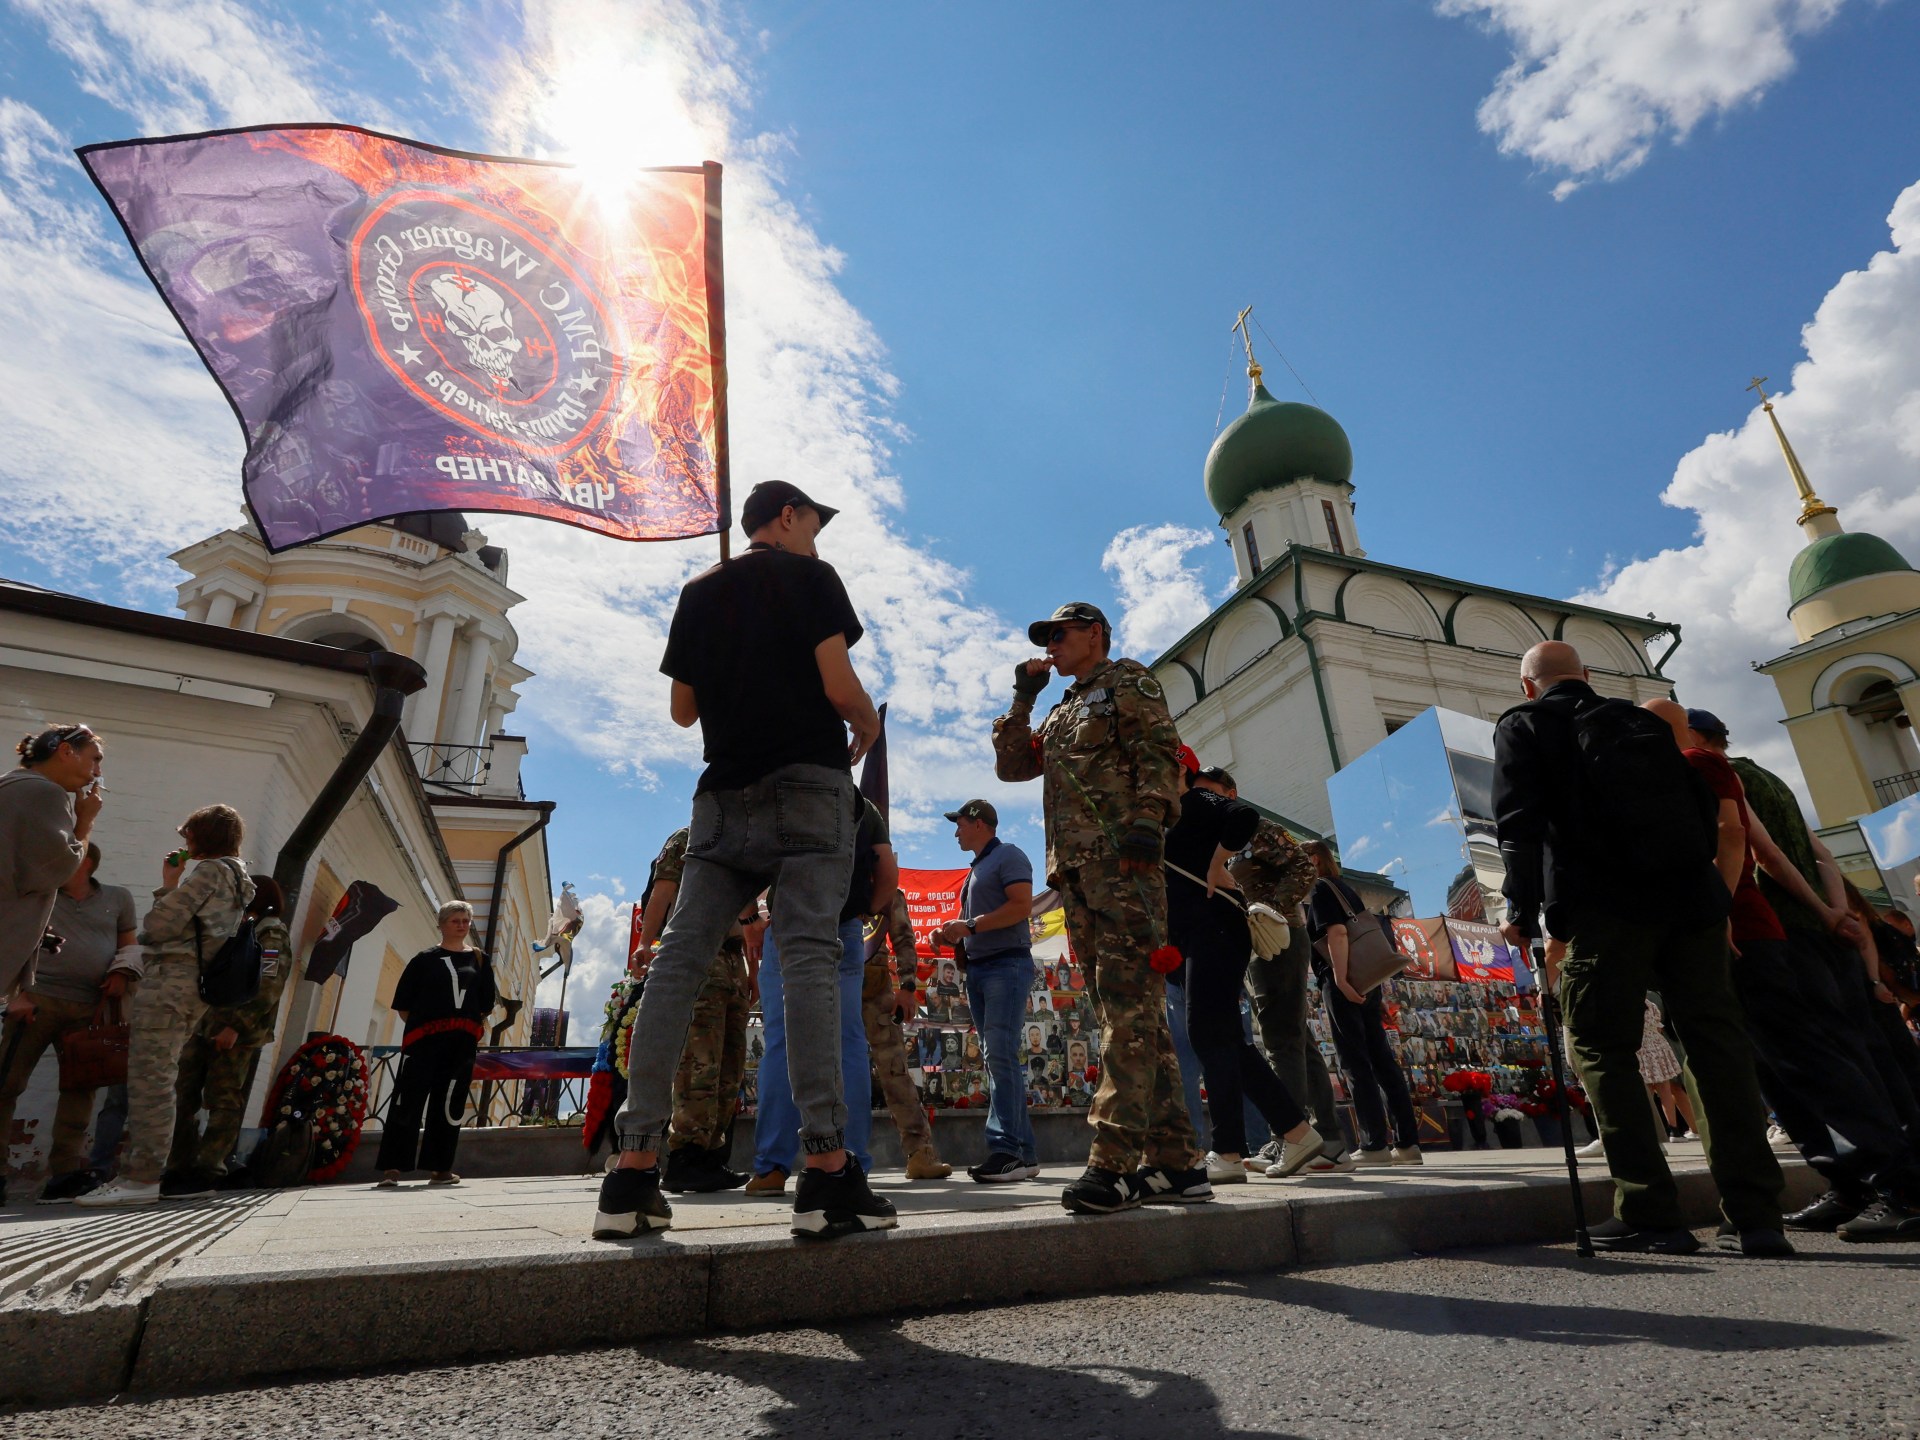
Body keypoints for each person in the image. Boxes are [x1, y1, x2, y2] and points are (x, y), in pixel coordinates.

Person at [597, 481, 893, 1242]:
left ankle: (632, 1170)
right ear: (788, 517)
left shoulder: (699, 592)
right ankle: (826, 1170)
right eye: (815, 523)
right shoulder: (812, 577)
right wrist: (866, 723)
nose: (817, 538)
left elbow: (683, 711)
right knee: (809, 957)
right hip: (808, 784)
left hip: (722, 795)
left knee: (677, 962)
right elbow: (838, 685)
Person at [1489, 641, 1786, 1255]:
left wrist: (1520, 909)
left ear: (1527, 686)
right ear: (1587, 675)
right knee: (1714, 1042)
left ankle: (1651, 1212)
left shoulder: (1526, 724)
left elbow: (1517, 823)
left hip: (1606, 906)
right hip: (1691, 901)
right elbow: (1701, 809)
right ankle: (1756, 1217)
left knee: (1602, 1045)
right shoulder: (1638, 721)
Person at [992, 600, 1206, 1214]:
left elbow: (1160, 751)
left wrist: (1149, 818)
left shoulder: (1127, 680)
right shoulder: (1060, 710)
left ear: (1095, 634)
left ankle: (1113, 1165)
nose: (1051, 645)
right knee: (1131, 1012)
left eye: (1060, 634)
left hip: (1123, 863)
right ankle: (1177, 1162)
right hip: (1077, 874)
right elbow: (1013, 767)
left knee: (1128, 1012)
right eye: (1047, 638)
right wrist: (1023, 700)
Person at [1683, 707, 1920, 1241]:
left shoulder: (1713, 772)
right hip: (1819, 932)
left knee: (1803, 1062)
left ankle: (1890, 1185)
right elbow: (1823, 856)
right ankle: (1855, 1187)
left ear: (1696, 736)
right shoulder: (1767, 777)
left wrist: (1811, 911)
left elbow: (1761, 854)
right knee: (1839, 1057)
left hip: (1777, 928)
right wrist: (1836, 914)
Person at [79, 804, 253, 1208]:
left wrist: (168, 884)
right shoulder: (238, 877)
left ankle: (139, 1177)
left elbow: (158, 926)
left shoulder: (210, 872)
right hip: (194, 988)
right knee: (160, 1075)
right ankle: (142, 1173)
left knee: (150, 1078)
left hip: (172, 983)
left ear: (203, 836)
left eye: (188, 834)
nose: (185, 841)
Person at [1165, 764, 1330, 1183]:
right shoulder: (1167, 815)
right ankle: (1296, 1133)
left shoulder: (1194, 799)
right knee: (1225, 1040)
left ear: (1177, 770)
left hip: (1216, 929)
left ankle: (1228, 1150)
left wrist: (1217, 863)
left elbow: (1243, 815)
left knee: (1209, 1032)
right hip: (1199, 936)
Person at [748, 794, 893, 1193]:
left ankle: (771, 1167)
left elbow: (749, 862)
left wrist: (748, 917)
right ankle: (853, 1161)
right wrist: (865, 911)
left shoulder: (786, 794)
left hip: (788, 923)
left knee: (781, 1041)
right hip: (843, 924)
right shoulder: (863, 807)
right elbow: (888, 875)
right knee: (848, 1042)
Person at [0, 840, 138, 1204]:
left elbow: (129, 945)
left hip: (88, 1008)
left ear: (86, 862)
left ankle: (63, 1175)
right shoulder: (36, 895)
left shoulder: (118, 898)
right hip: (36, 1001)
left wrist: (123, 971)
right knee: (6, 1084)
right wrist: (15, 995)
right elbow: (9, 942)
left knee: (79, 1091)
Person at [1226, 799, 1350, 1171]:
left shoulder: (1256, 827)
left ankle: (1289, 1139)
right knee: (1297, 1039)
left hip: (1277, 937)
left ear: (1229, 792)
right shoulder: (1226, 841)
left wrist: (1271, 910)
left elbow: (1302, 867)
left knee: (1280, 1038)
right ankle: (1328, 1141)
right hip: (1259, 941)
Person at [636, 828, 751, 1195]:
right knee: (699, 1063)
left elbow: (746, 913)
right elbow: (663, 892)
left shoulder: (741, 842)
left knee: (730, 1066)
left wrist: (751, 971)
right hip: (700, 954)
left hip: (733, 960)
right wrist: (645, 943)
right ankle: (686, 1157)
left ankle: (711, 1157)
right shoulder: (688, 838)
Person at [163, 877, 293, 1196]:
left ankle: (209, 1168)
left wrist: (236, 1025)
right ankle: (179, 1166)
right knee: (182, 1094)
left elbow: (268, 986)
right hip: (205, 1024)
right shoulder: (237, 925)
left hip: (235, 1031)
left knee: (223, 1100)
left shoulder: (271, 933)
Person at [934, 798, 1040, 1183]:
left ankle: (1006, 1150)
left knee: (999, 1056)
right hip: (983, 969)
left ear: (979, 823)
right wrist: (951, 932)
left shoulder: (1008, 855)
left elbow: (1021, 906)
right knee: (998, 1059)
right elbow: (980, 922)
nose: (955, 832)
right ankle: (1023, 1154)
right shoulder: (978, 868)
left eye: (960, 823)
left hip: (1005, 966)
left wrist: (970, 926)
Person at [1302, 841, 1421, 1166]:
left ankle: (1374, 1145)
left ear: (1314, 860)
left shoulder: (1321, 889)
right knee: (1382, 1060)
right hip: (1368, 979)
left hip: (1344, 980)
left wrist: (1340, 979)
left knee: (1354, 1061)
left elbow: (1338, 934)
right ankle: (1407, 1144)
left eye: (1300, 860)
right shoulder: (1345, 888)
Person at [374, 900, 497, 1188]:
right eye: (455, 920)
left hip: (461, 1046)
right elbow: (404, 1005)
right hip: (423, 1044)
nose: (462, 925)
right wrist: (430, 1029)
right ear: (441, 924)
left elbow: (484, 1003)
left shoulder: (479, 960)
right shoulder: (424, 960)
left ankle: (440, 1168)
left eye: (466, 920)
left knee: (450, 1104)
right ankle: (392, 1168)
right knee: (407, 1100)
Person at [2, 724, 105, 1001]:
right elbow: (63, 869)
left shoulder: (10, 784)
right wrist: (86, 821)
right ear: (66, 751)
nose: (97, 773)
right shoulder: (45, 792)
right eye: (95, 759)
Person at [868, 894, 951, 1179]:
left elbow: (903, 936)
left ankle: (920, 1153)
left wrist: (906, 986)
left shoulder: (884, 885)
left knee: (895, 1071)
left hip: (874, 986)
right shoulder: (828, 875)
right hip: (833, 977)